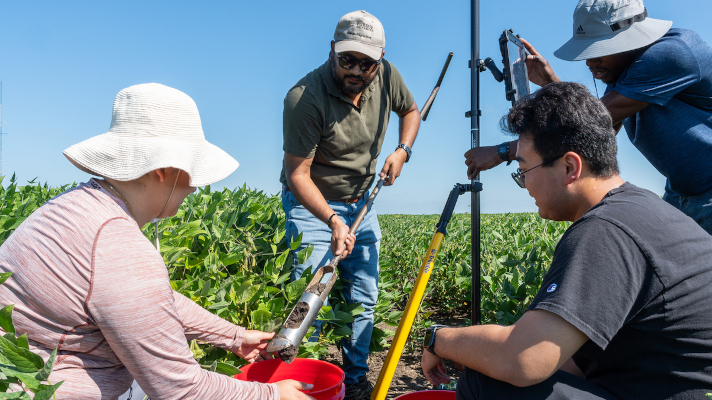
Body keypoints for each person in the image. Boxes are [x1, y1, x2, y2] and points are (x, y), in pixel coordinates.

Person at [0, 83, 314, 400]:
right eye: (193, 173)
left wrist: (233, 336)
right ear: (164, 169)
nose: (194, 188)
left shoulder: (74, 208)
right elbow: (179, 389)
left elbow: (149, 301)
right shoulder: (117, 246)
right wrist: (273, 395)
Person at [423, 82, 712, 399]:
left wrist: (438, 338)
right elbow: (569, 360)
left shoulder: (606, 230)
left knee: (488, 382)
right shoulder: (639, 209)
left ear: (570, 167)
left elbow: (522, 360)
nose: (525, 184)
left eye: (523, 169)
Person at [464, 0, 712, 234]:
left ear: (630, 38)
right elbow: (598, 128)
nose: (589, 62)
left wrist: (503, 151)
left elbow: (588, 125)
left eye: (599, 50)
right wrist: (551, 84)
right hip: (682, 190)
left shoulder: (672, 54)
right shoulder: (622, 72)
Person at [280, 10, 421, 399]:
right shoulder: (303, 98)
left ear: (380, 60)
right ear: (332, 51)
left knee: (364, 295)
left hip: (362, 202)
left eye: (367, 63)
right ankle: (306, 381)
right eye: (347, 60)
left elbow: (410, 111)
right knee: (309, 299)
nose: (356, 71)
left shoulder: (388, 75)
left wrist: (402, 151)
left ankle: (355, 379)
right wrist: (332, 221)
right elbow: (298, 174)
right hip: (311, 204)